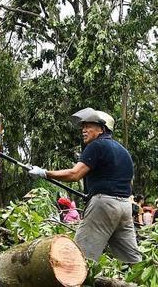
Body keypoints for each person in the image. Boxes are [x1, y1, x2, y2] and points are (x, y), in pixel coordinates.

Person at [28, 107, 141, 263]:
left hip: (104, 205)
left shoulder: (96, 146)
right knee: (132, 260)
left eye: (88, 126)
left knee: (80, 257)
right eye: (83, 127)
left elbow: (75, 174)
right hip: (125, 207)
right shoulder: (123, 151)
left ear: (102, 129)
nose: (83, 130)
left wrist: (44, 173)